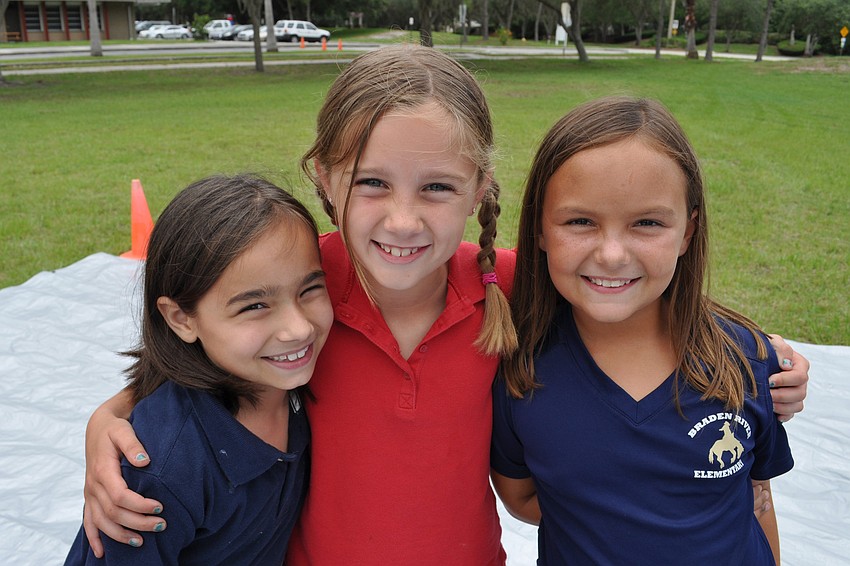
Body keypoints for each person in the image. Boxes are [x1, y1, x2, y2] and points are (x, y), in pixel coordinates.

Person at [79, 47, 809, 564]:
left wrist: (764, 353)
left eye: (436, 187)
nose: (403, 221)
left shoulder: (514, 286)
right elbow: (209, 351)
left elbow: (629, 287)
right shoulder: (302, 292)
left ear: (480, 189)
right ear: (326, 180)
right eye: (372, 184)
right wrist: (106, 422)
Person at [491, 97, 795, 564]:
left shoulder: (747, 360)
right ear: (539, 230)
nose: (612, 255)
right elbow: (522, 499)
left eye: (647, 223)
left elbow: (758, 496)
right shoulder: (518, 372)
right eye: (580, 221)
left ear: (688, 232)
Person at [65, 174, 333, 564]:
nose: (300, 328)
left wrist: (104, 414)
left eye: (310, 289)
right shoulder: (159, 472)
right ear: (180, 319)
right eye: (254, 306)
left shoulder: (290, 379)